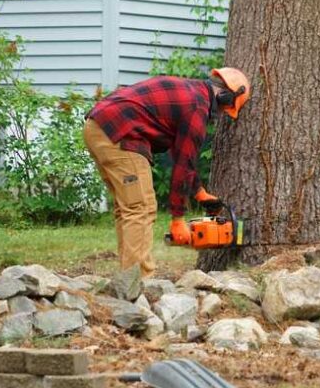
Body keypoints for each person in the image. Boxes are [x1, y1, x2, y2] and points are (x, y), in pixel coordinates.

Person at [83, 68, 251, 278]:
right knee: (140, 208)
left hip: (98, 127)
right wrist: (177, 219)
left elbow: (183, 156)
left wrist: (199, 193)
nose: (222, 113)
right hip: (120, 134)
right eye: (227, 107)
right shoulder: (196, 108)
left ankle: (127, 277)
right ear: (225, 95)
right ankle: (139, 281)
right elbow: (182, 166)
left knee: (129, 208)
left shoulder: (190, 92)